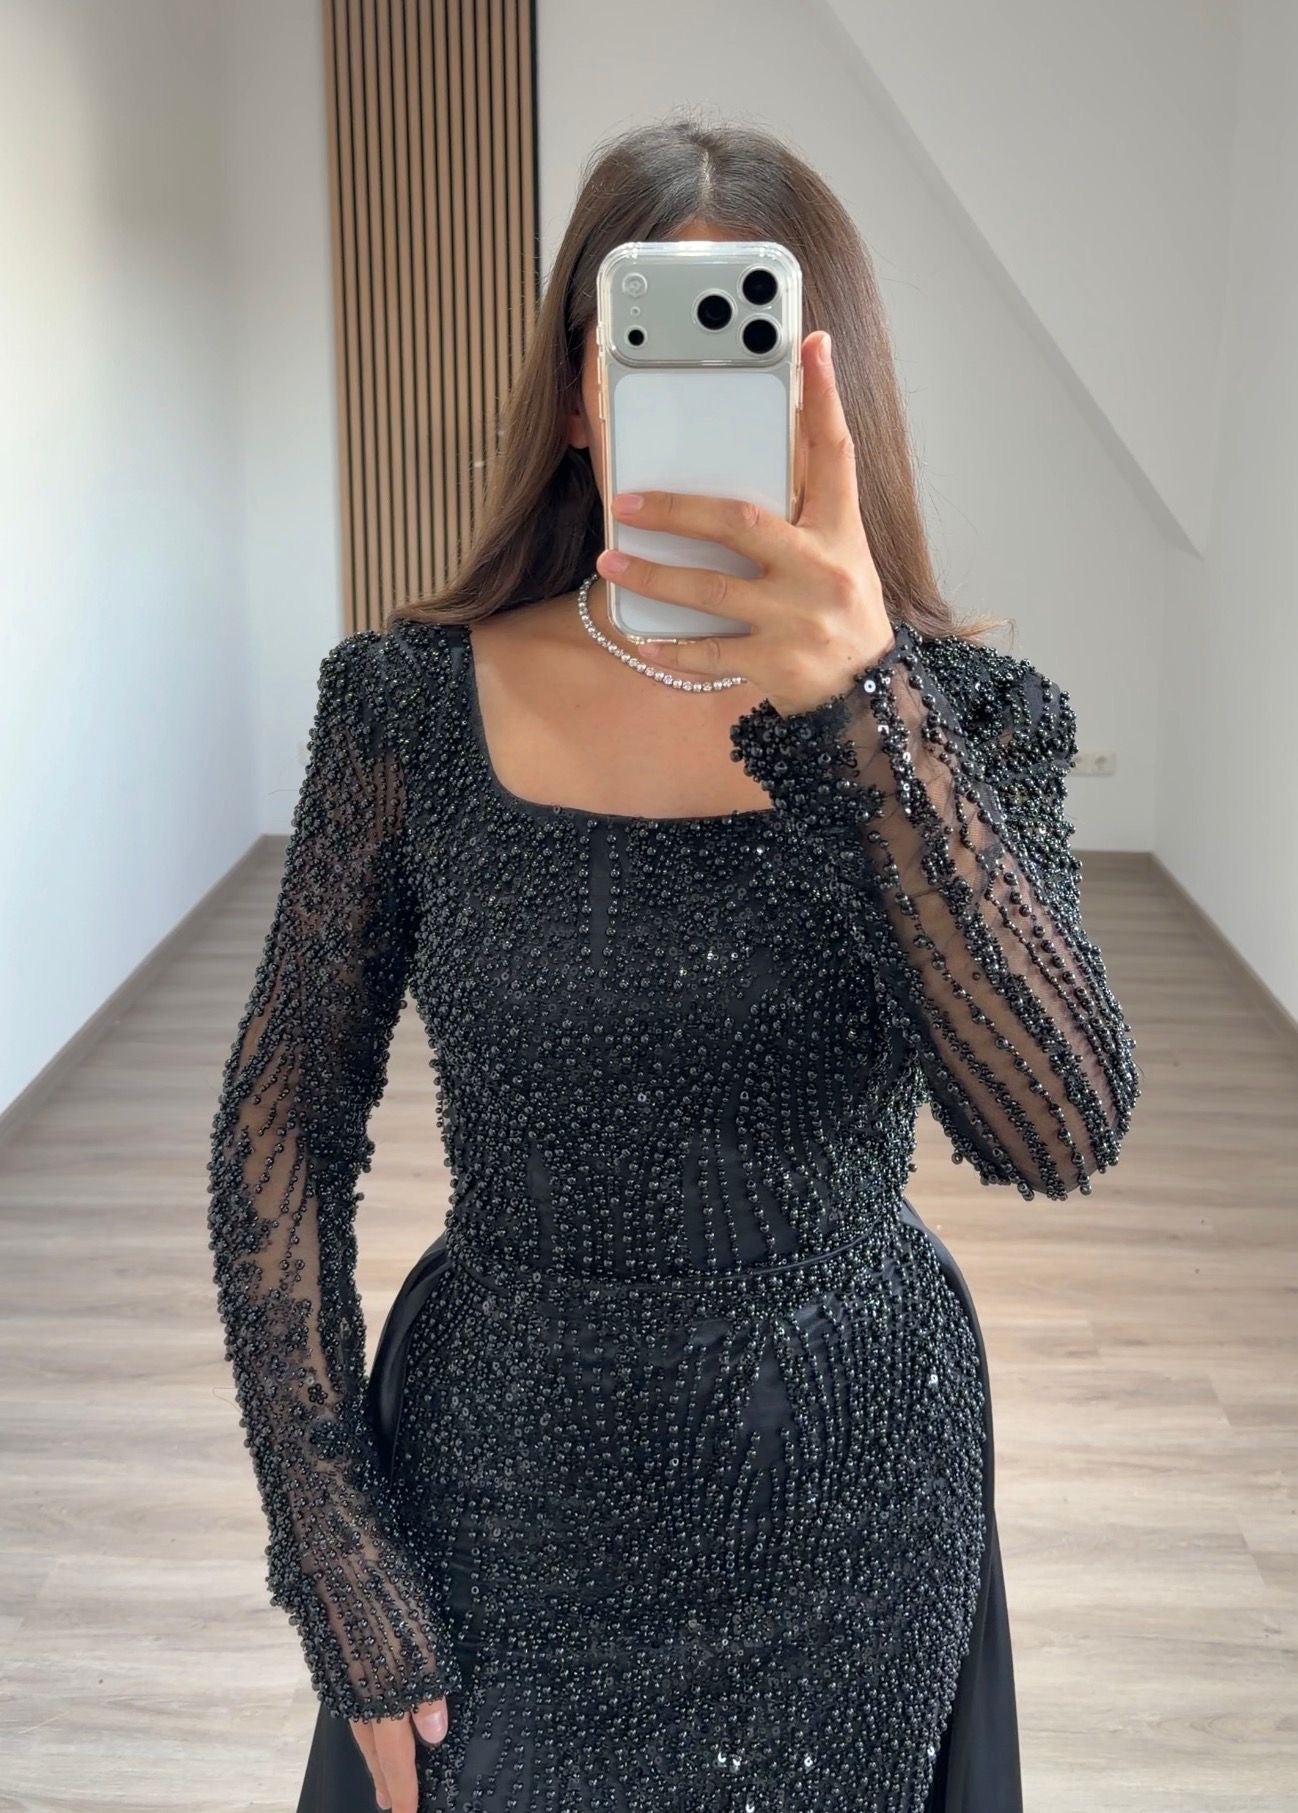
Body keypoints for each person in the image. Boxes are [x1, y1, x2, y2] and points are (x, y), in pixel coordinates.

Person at [207, 119, 1140, 1813]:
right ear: (578, 392)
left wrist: (863, 707)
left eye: (752, 346)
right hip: (501, 1481)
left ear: (828, 397)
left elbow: (1057, 1124)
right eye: (640, 342)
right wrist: (338, 1563)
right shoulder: (407, 707)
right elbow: (282, 1120)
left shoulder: (960, 724)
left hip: (855, 1486)